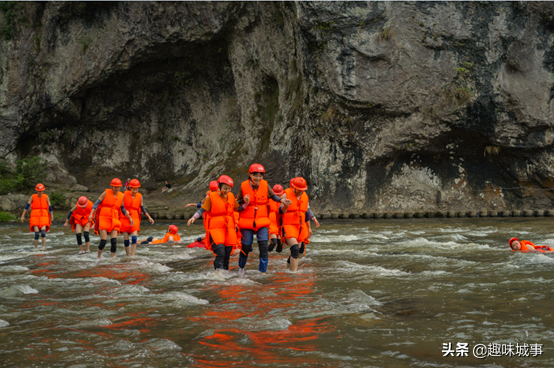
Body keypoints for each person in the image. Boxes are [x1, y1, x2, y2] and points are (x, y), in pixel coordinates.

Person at [236, 164, 291, 275]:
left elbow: (272, 196)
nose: (258, 178)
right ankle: (241, 268)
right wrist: (244, 200)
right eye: (255, 175)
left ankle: (263, 272)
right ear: (250, 174)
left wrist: (281, 201)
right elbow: (237, 203)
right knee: (246, 247)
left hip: (262, 221)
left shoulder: (265, 185)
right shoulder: (243, 186)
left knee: (263, 246)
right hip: (247, 221)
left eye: (260, 175)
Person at [187, 175, 238, 272]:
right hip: (215, 230)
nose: (226, 191)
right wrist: (193, 217)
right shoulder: (211, 197)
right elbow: (202, 210)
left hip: (228, 229)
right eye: (224, 188)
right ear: (219, 187)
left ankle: (225, 273)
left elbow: (238, 208)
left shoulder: (231, 197)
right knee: (221, 252)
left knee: (227, 254)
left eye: (229, 189)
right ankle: (218, 273)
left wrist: (246, 202)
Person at [89, 178, 134, 259]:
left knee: (114, 241)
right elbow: (96, 203)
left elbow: (122, 208)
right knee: (103, 241)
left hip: (114, 219)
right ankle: (98, 257)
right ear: (112, 186)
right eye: (115, 187)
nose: (116, 189)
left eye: (118, 187)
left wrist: (129, 217)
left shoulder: (121, 195)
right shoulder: (105, 193)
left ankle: (112, 258)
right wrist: (91, 214)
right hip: (104, 218)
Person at [279, 177, 311, 272]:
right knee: (295, 248)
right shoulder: (285, 194)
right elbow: (280, 211)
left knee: (297, 252)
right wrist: (285, 206)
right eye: (300, 190)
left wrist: (309, 228)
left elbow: (306, 213)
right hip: (288, 225)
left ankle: (288, 270)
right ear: (293, 187)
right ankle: (294, 273)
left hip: (300, 227)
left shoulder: (305, 196)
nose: (301, 192)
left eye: (303, 190)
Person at [120, 179, 154, 256]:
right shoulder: (124, 194)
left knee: (134, 238)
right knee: (126, 240)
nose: (135, 191)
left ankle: (132, 256)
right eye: (133, 189)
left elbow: (142, 208)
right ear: (130, 188)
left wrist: (149, 216)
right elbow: (121, 206)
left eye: (137, 189)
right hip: (125, 217)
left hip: (135, 217)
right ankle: (128, 255)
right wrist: (126, 212)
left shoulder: (140, 196)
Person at [20, 183, 53, 250]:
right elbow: (26, 207)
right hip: (34, 217)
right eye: (39, 191)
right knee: (37, 234)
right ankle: (36, 248)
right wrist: (22, 216)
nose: (40, 192)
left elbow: (50, 207)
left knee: (43, 233)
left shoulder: (46, 197)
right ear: (36, 191)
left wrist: (52, 216)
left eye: (41, 191)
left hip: (44, 216)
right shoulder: (32, 197)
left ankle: (43, 247)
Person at [268, 184, 284, 253]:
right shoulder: (269, 199)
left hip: (279, 223)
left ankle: (276, 261)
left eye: (279, 195)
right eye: (276, 195)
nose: (277, 196)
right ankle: (264, 255)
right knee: (273, 242)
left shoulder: (283, 200)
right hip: (271, 222)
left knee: (280, 247)